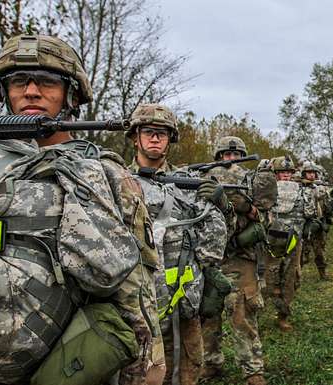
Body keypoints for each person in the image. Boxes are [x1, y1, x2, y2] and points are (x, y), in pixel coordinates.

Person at [0, 34, 164, 384]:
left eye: (46, 81)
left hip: (58, 367)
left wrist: (147, 371)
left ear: (71, 93)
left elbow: (136, 299)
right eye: (18, 81)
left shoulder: (103, 174)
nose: (30, 91)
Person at [128, 103, 230, 385]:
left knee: (189, 374)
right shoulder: (115, 181)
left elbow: (215, 244)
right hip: (136, 312)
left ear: (170, 140)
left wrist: (223, 207)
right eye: (148, 131)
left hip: (184, 307)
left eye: (163, 133)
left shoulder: (188, 184)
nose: (155, 138)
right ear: (135, 136)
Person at [199, 136, 276, 385]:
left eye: (236, 156)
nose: (231, 160)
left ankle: (252, 369)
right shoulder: (204, 178)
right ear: (218, 157)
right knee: (207, 313)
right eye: (226, 156)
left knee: (242, 312)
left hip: (240, 258)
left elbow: (268, 220)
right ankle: (210, 362)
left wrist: (247, 208)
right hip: (210, 258)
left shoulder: (253, 181)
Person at [265, 156, 317, 330]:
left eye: (288, 172)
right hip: (271, 242)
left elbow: (309, 213)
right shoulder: (266, 191)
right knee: (269, 278)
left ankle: (283, 315)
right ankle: (259, 311)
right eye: (282, 172)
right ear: (275, 174)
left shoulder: (303, 191)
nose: (285, 175)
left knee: (291, 279)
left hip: (294, 241)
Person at [300, 161, 333, 280]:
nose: (312, 175)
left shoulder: (319, 187)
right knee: (301, 252)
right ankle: (296, 275)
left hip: (319, 223)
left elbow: (327, 203)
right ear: (304, 173)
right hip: (304, 225)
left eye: (314, 173)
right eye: (309, 173)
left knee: (320, 250)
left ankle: (322, 272)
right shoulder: (298, 188)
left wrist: (332, 208)